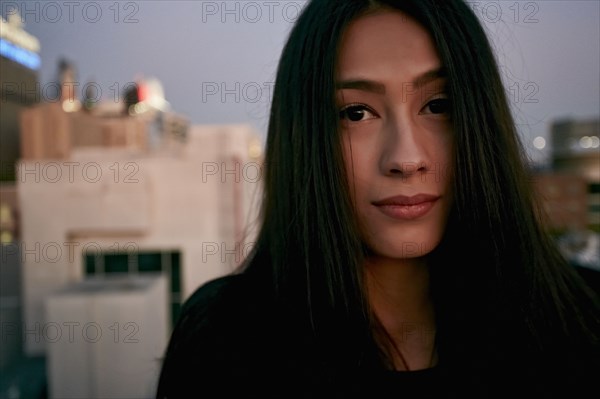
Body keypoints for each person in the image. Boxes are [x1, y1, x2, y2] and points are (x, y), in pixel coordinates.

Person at [156, 0, 600, 397]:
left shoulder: (581, 319)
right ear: (306, 137)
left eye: (439, 105)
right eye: (357, 113)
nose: (406, 159)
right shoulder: (227, 342)